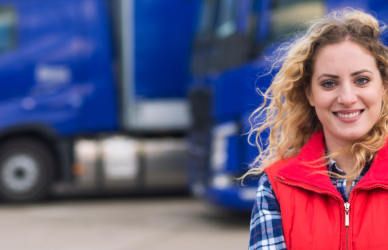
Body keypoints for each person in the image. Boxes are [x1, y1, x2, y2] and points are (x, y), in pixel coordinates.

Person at [246, 9, 388, 250]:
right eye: (329, 83)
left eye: (361, 80)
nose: (347, 97)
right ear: (310, 94)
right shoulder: (276, 186)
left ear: (384, 86)